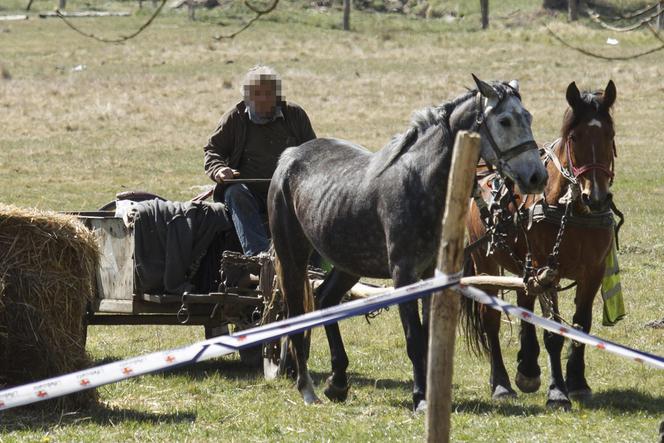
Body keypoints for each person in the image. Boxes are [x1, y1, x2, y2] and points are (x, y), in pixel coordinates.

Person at [204, 65, 316, 256]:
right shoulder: (235, 118)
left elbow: (313, 154)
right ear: (247, 96)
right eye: (257, 93)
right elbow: (213, 150)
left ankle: (313, 262)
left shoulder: (295, 116)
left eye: (268, 93)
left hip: (286, 193)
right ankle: (259, 257)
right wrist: (219, 169)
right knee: (236, 192)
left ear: (277, 95)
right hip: (250, 194)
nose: (263, 99)